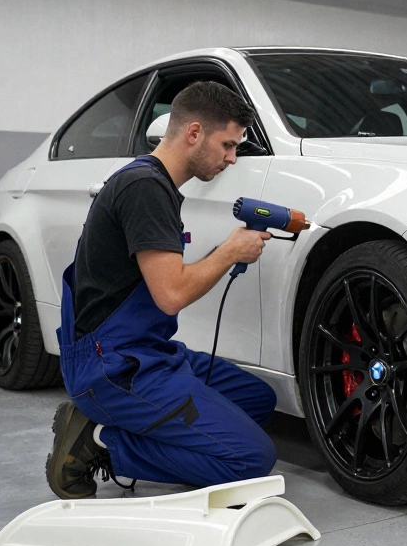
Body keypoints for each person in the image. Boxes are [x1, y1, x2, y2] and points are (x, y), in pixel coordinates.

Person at [45, 81, 278, 498]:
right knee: (252, 460)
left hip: (147, 350)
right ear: (193, 133)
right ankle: (99, 442)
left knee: (258, 399)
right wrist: (228, 251)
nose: (232, 158)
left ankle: (149, 426)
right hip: (114, 367)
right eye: (227, 144)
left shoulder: (156, 186)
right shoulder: (145, 189)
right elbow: (171, 295)